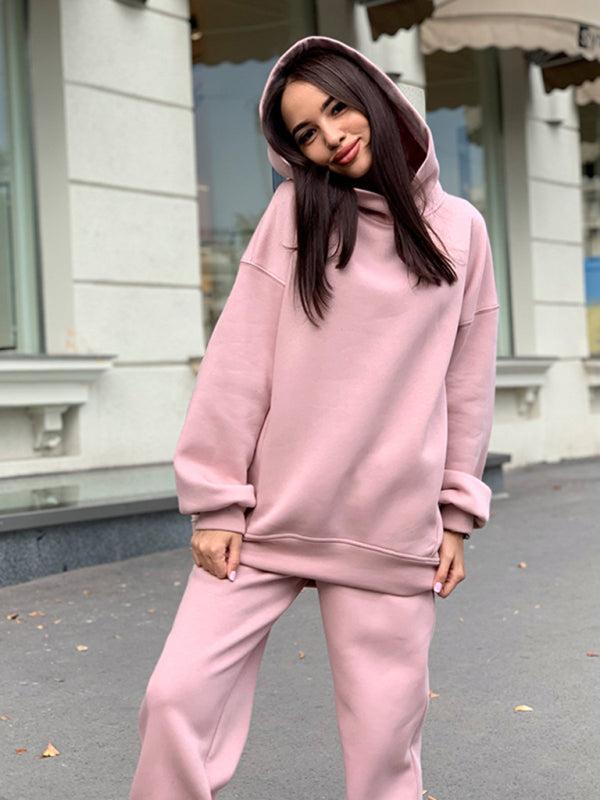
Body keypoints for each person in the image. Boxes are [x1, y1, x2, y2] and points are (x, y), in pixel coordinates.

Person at [129, 35, 500, 800]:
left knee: (385, 749)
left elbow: (467, 382)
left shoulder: (461, 230)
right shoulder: (295, 213)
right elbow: (239, 362)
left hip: (388, 525)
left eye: (337, 108)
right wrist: (215, 500)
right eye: (306, 131)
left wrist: (456, 515)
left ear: (376, 98)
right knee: (175, 698)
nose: (332, 135)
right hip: (267, 518)